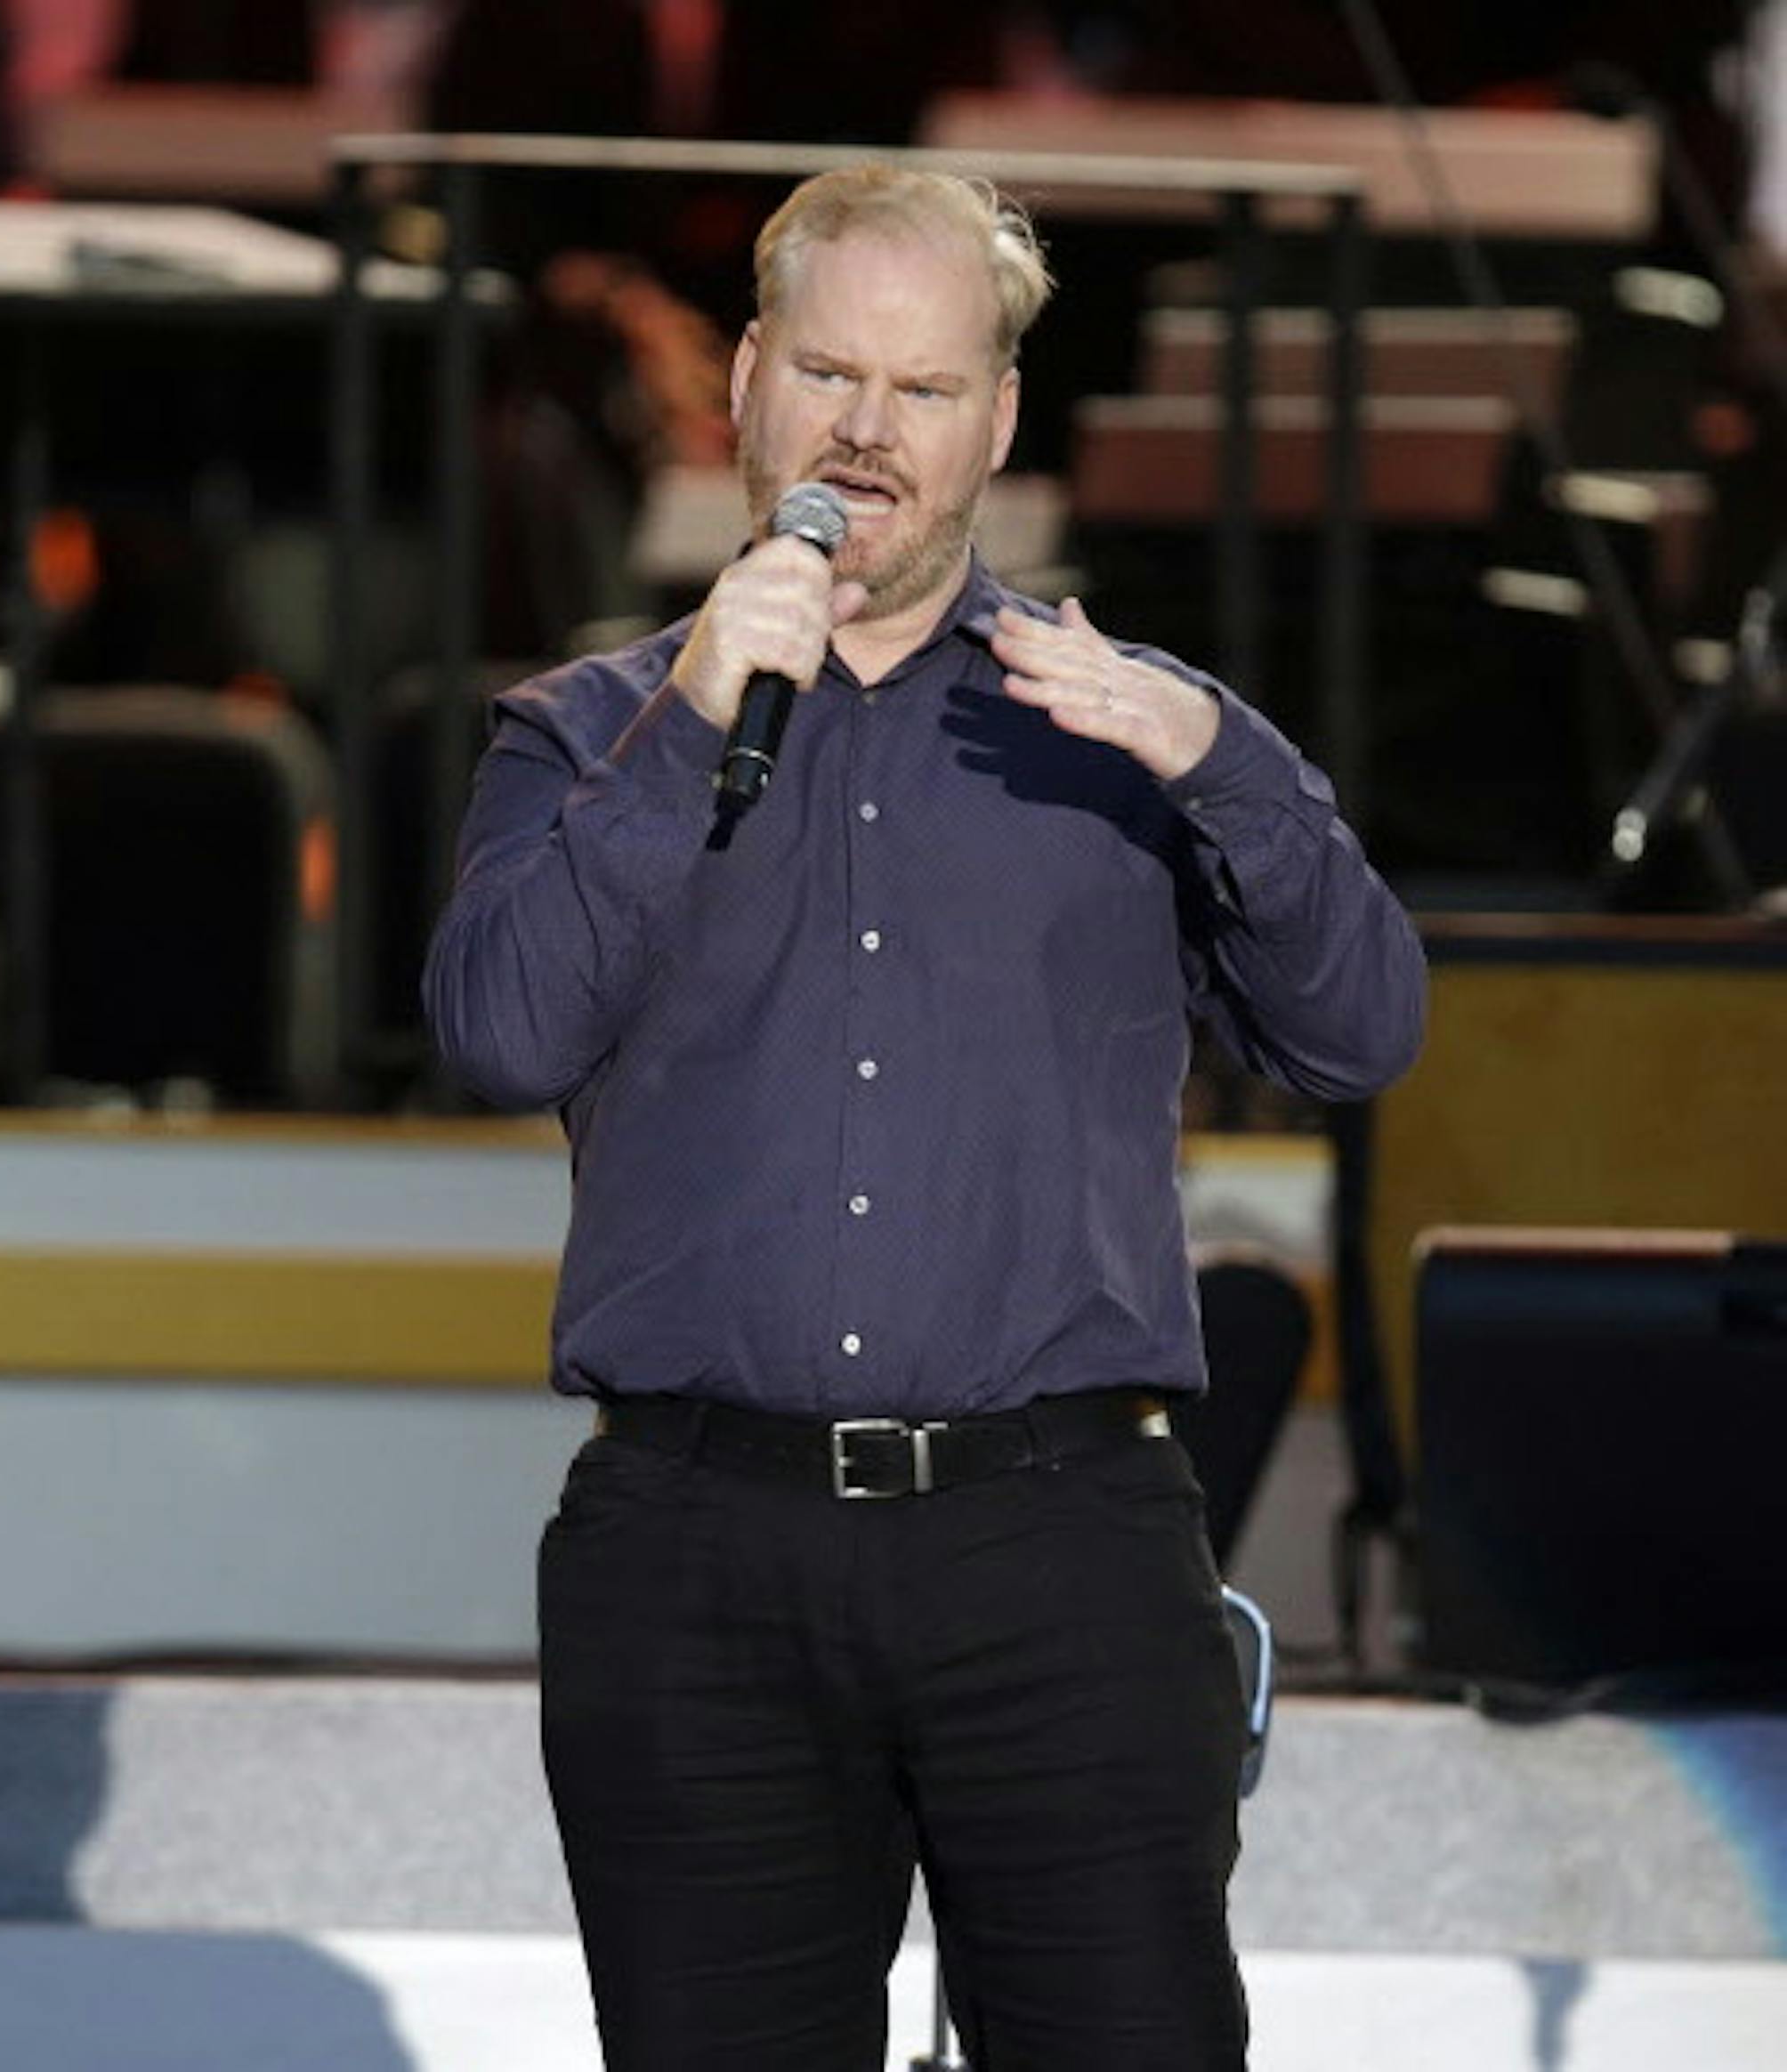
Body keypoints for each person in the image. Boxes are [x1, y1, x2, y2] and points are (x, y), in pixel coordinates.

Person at [425, 165, 1426, 2072]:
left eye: (927, 387)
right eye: (827, 372)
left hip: (1056, 1554)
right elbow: (496, 1030)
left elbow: (1364, 1033)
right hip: (696, 1557)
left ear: (1001, 421)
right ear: (741, 385)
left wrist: (1229, 770)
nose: (868, 432)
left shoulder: (1133, 734)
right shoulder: (584, 735)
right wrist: (695, 710)